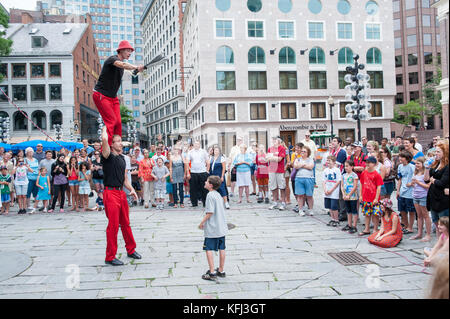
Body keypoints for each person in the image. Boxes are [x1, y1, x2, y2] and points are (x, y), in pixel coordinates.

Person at [100, 126, 140, 266]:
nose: (120, 143)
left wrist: (132, 189)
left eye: (121, 141)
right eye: (117, 141)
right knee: (113, 226)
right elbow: (104, 138)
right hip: (110, 193)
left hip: (121, 192)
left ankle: (131, 249)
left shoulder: (123, 158)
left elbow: (124, 179)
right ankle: (110, 256)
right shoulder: (107, 156)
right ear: (111, 144)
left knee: (126, 223)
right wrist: (106, 126)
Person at [93, 41, 144, 146]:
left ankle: (117, 146)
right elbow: (122, 64)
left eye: (131, 51)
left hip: (113, 98)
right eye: (128, 50)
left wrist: (138, 70)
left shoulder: (122, 67)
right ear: (120, 50)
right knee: (111, 122)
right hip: (101, 95)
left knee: (118, 123)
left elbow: (132, 72)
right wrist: (135, 67)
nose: (130, 53)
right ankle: (106, 150)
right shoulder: (113, 59)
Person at [198, 175, 227, 281]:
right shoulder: (218, 195)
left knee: (208, 248)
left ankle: (212, 272)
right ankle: (221, 270)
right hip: (221, 227)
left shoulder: (210, 195)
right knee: (222, 248)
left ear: (210, 185)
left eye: (207, 181)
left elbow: (210, 212)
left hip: (212, 228)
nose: (205, 182)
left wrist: (202, 222)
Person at [425, 140, 449, 238]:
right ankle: (439, 243)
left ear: (445, 152)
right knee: (436, 223)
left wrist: (433, 180)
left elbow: (442, 183)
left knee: (444, 225)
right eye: (436, 151)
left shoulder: (447, 166)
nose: (436, 154)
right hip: (433, 198)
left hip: (442, 200)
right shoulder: (435, 164)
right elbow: (426, 180)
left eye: (438, 151)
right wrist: (427, 168)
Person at [358, 156, 384, 236]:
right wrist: (360, 195)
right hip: (366, 197)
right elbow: (362, 184)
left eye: (369, 163)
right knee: (367, 214)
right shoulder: (364, 173)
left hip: (373, 198)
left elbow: (379, 187)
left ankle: (375, 229)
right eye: (366, 163)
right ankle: (367, 228)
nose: (367, 164)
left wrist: (376, 198)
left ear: (374, 164)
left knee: (375, 214)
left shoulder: (376, 174)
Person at [411, 157, 432, 241]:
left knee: (425, 214)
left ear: (423, 164)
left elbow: (428, 186)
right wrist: (411, 184)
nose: (416, 165)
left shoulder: (426, 173)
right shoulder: (415, 173)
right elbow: (413, 183)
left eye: (418, 163)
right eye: (416, 163)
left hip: (423, 196)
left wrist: (418, 182)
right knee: (419, 215)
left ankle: (428, 234)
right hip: (415, 195)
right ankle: (419, 233)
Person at [397, 151, 416, 234]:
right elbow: (400, 179)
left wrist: (411, 183)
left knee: (411, 210)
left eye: (402, 157)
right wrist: (398, 190)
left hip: (410, 191)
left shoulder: (412, 167)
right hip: (402, 190)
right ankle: (405, 224)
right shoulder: (400, 166)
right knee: (402, 210)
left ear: (407, 158)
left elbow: (417, 177)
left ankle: (410, 227)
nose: (400, 159)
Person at [187, 141, 210, 208]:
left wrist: (207, 170)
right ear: (193, 145)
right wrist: (188, 172)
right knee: (193, 188)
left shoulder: (203, 151)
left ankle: (205, 202)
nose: (196, 145)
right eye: (195, 144)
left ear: (200, 144)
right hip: (193, 172)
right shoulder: (190, 152)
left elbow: (208, 161)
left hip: (202, 172)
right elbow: (187, 162)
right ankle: (194, 203)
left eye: (198, 144)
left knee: (204, 188)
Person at [293, 146, 315, 216]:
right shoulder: (298, 159)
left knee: (309, 195)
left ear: (308, 153)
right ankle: (300, 209)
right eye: (302, 151)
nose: (302, 153)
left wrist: (301, 165)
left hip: (309, 178)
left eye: (304, 151)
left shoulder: (311, 159)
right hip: (299, 178)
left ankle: (311, 209)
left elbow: (311, 167)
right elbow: (295, 166)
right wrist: (304, 164)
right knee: (300, 195)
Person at [267, 137, 287, 211]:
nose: (273, 142)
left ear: (279, 142)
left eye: (275, 141)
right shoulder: (270, 148)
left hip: (280, 170)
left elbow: (280, 159)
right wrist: (275, 158)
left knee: (281, 186)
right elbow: (267, 158)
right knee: (273, 186)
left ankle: (283, 202)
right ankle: (275, 202)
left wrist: (272, 158)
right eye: (273, 140)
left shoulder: (282, 148)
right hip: (272, 170)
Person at [341, 161, 359, 234]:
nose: (346, 168)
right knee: (348, 210)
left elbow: (355, 186)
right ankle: (349, 224)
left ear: (352, 167)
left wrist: (349, 194)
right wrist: (343, 194)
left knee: (354, 210)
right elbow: (342, 185)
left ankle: (354, 225)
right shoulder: (344, 175)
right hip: (346, 195)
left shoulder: (354, 175)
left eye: (347, 166)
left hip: (352, 196)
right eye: (345, 166)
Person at [323, 155, 342, 227]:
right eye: (327, 160)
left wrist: (331, 190)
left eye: (329, 161)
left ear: (334, 162)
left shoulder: (336, 170)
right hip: (327, 190)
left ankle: (336, 219)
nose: (328, 162)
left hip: (334, 191)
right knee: (329, 206)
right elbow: (324, 181)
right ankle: (332, 218)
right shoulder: (325, 170)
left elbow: (338, 181)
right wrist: (325, 189)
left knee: (334, 206)